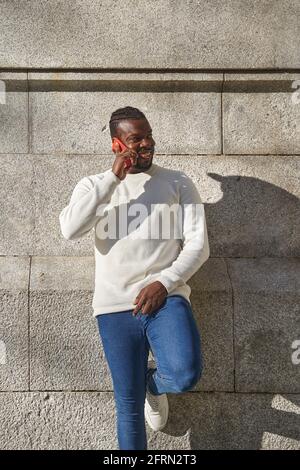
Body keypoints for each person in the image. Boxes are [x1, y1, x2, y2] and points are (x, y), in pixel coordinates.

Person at [59, 106, 210, 450]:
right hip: (114, 308)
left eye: (148, 136)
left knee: (185, 374)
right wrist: (113, 180)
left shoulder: (178, 181)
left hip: (165, 299)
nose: (146, 145)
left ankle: (154, 386)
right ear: (116, 144)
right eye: (135, 140)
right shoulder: (93, 185)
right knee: (127, 407)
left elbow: (199, 246)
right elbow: (70, 229)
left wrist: (165, 282)